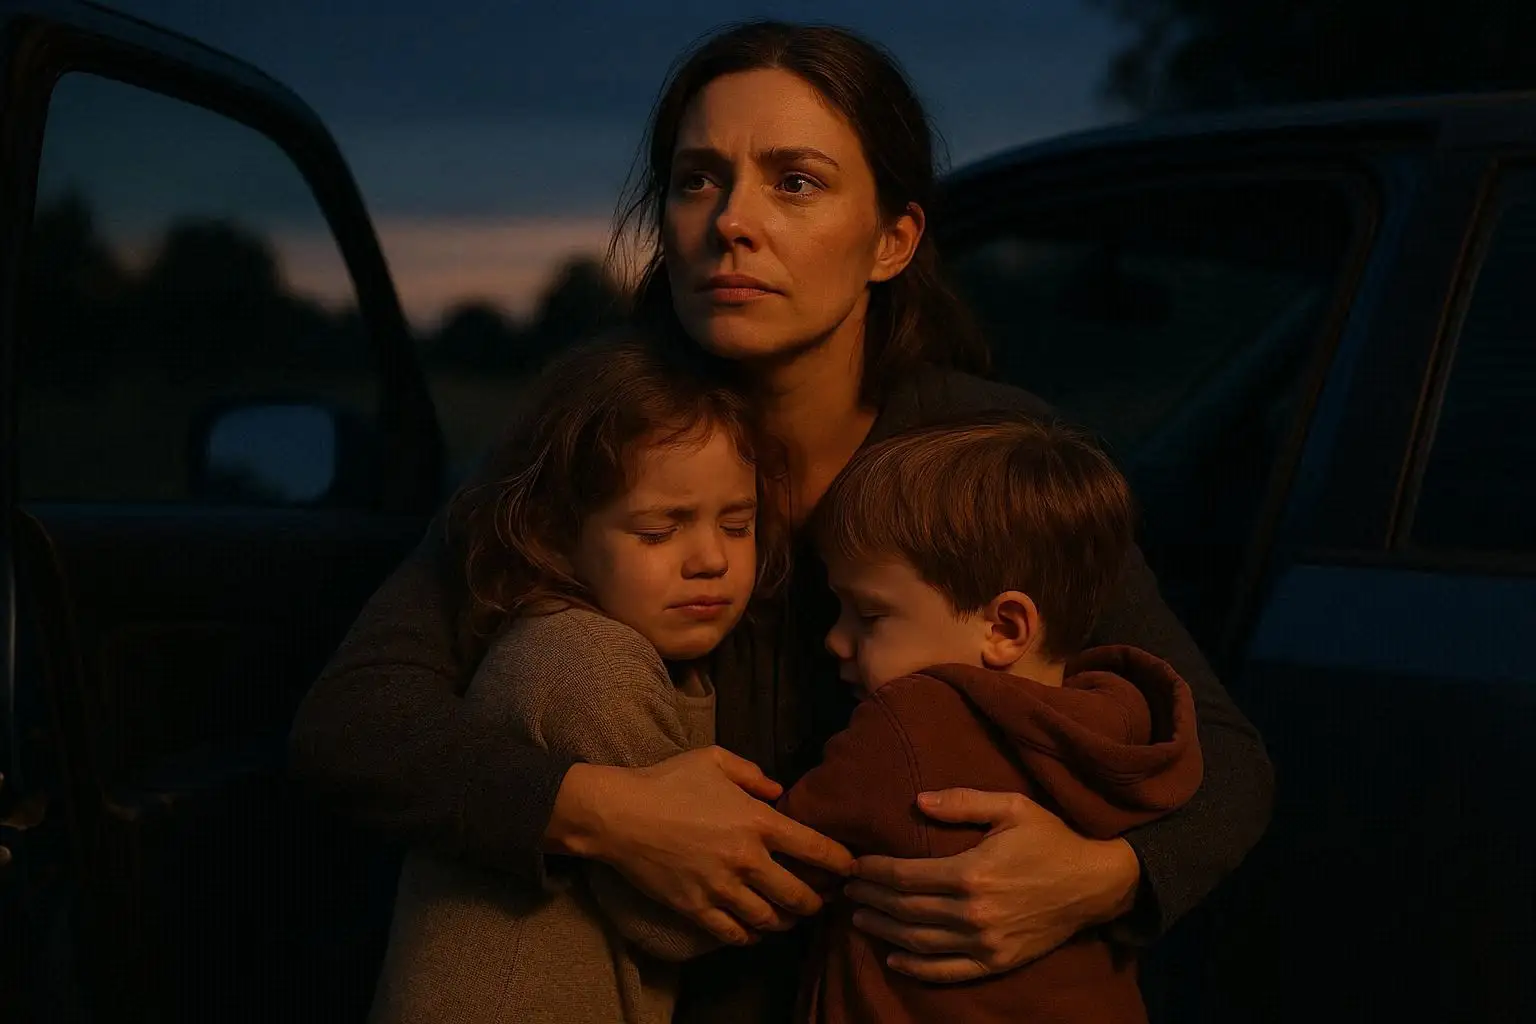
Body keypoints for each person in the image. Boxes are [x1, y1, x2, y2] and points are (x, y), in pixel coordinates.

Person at [290, 20, 1274, 1024]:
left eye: (794, 182)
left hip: (898, 991)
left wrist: (1097, 876)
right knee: (548, 663)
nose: (732, 223)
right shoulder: (598, 435)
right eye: (698, 180)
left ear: (893, 239)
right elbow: (353, 716)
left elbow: (1227, 766)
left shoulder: (989, 457)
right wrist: (603, 815)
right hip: (645, 973)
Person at [370, 339, 786, 1024]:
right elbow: (675, 921)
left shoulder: (633, 647)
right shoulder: (585, 664)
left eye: (738, 525)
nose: (710, 558)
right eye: (659, 532)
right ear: (558, 534)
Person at [777, 415, 1204, 1023]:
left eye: (868, 616)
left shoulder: (910, 723)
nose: (836, 643)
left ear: (1004, 628)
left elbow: (766, 868)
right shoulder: (1128, 724)